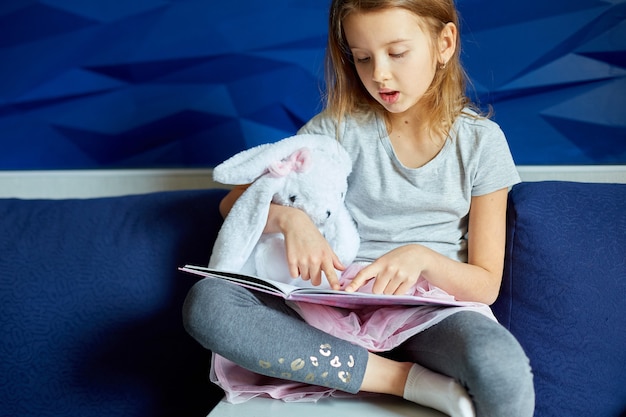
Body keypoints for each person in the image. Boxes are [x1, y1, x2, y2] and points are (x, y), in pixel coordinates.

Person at [183, 1, 535, 416]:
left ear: (445, 43)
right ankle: (402, 381)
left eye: (397, 53)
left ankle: (373, 368)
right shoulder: (334, 128)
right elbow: (232, 202)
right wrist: (289, 218)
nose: (379, 73)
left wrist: (420, 259)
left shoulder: (481, 143)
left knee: (501, 367)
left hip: (428, 314)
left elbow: (485, 285)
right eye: (362, 57)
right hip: (326, 307)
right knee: (208, 302)